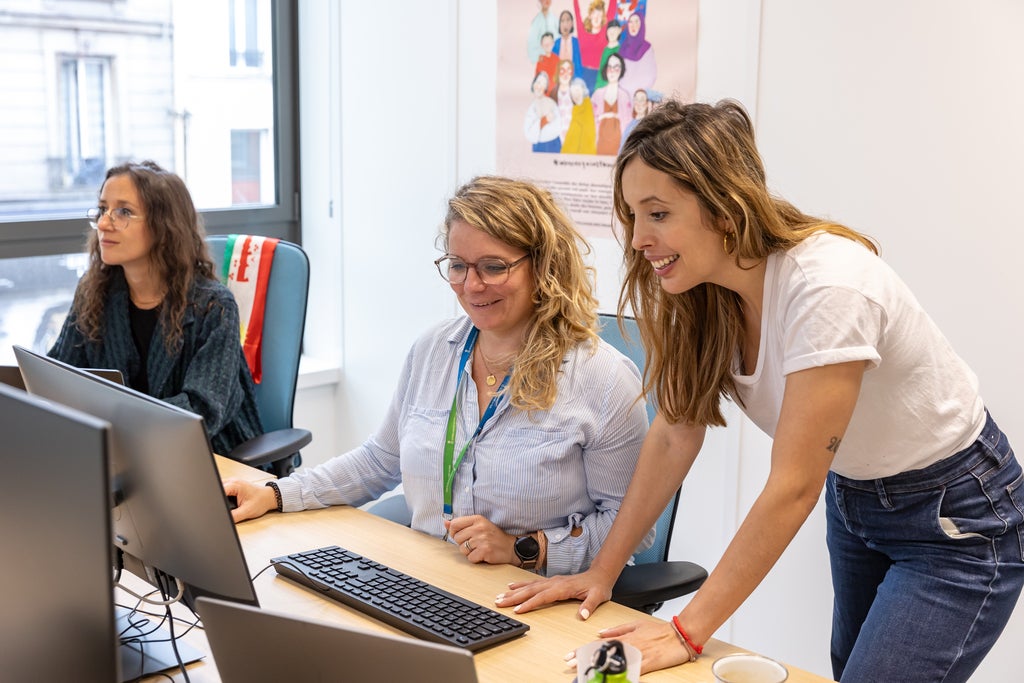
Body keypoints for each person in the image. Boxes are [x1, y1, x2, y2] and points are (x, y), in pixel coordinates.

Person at [495, 100, 1024, 681]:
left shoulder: (828, 288)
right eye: (631, 213)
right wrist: (601, 572)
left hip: (955, 518)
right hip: (856, 501)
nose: (639, 238)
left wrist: (686, 630)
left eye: (658, 213)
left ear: (724, 209)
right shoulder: (701, 291)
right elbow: (674, 434)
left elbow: (794, 485)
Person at [224, 176, 653, 578]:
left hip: (533, 597)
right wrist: (277, 494)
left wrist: (525, 547)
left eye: (493, 266)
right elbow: (380, 459)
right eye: (458, 266)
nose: (472, 285)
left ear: (544, 267)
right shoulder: (434, 351)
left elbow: (631, 527)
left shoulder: (603, 379)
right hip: (426, 580)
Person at [49, 160, 262, 456]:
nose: (104, 223)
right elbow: (56, 374)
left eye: (123, 211)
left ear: (163, 226)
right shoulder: (94, 292)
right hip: (124, 455)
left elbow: (201, 411)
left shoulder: (212, 307)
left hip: (209, 458)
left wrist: (114, 421)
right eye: (103, 209)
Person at [591, 53, 631, 155]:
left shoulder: (625, 96)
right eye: (610, 67)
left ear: (621, 70)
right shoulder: (597, 94)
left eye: (616, 67)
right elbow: (591, 120)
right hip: (600, 142)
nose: (612, 71)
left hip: (619, 145)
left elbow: (628, 124)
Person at [617, 11, 657, 97]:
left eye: (636, 21)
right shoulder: (623, 47)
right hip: (622, 96)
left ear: (641, 25)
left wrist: (636, 94)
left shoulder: (647, 48)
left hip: (639, 98)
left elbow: (650, 77)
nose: (633, 25)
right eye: (630, 22)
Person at [524, 71, 562, 153]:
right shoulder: (532, 107)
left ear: (546, 88)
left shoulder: (551, 104)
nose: (540, 86)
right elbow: (528, 133)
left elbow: (557, 126)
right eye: (538, 82)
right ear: (533, 84)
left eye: (544, 84)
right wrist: (543, 121)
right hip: (537, 145)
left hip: (551, 145)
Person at [561, 78, 597, 155]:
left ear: (583, 91)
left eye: (577, 90)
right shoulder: (575, 109)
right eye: (572, 92)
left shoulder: (587, 109)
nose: (575, 95)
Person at [527, 0, 559, 65]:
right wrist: (536, 57)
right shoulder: (536, 21)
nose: (547, 1)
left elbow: (560, 40)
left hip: (555, 58)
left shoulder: (555, 19)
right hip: (542, 60)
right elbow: (531, 43)